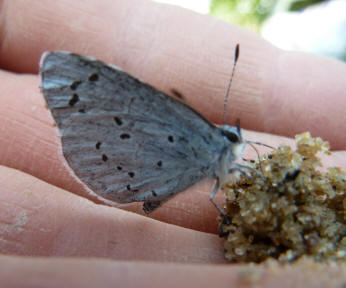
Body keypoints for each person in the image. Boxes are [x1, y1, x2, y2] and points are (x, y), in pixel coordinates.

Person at [0, 0, 345, 287]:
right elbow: (217, 188)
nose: (240, 140)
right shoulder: (217, 148)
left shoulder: (222, 150)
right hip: (123, 162)